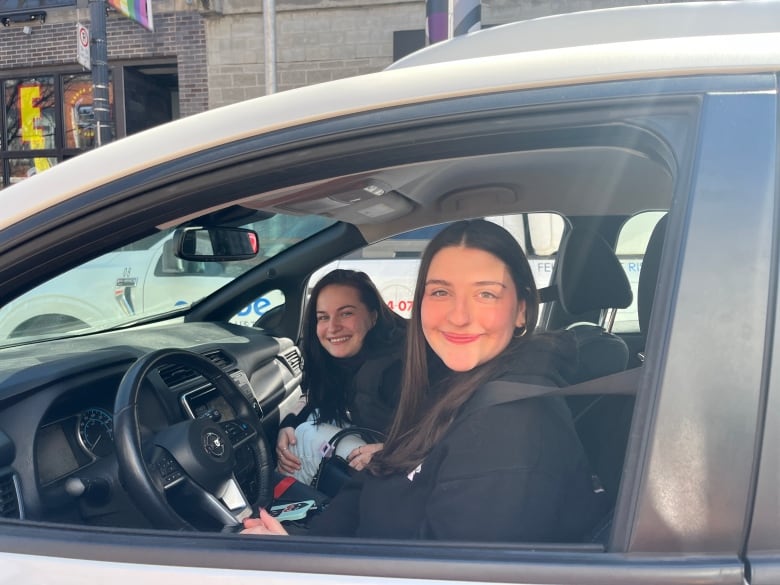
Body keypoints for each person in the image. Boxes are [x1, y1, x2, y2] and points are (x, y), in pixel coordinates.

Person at [246, 220, 603, 542]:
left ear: (522, 308)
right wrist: (305, 546)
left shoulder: (508, 427)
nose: (458, 316)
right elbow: (377, 479)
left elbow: (452, 572)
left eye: (486, 294)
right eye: (441, 292)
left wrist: (297, 567)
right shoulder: (455, 381)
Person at [276, 269, 407, 485]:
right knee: (305, 424)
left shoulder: (395, 365)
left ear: (373, 316)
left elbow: (440, 426)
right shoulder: (351, 358)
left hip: (405, 467)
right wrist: (287, 425)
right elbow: (322, 401)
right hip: (390, 445)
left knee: (303, 437)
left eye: (346, 313)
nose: (333, 327)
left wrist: (393, 451)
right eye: (323, 317)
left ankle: (290, 514)